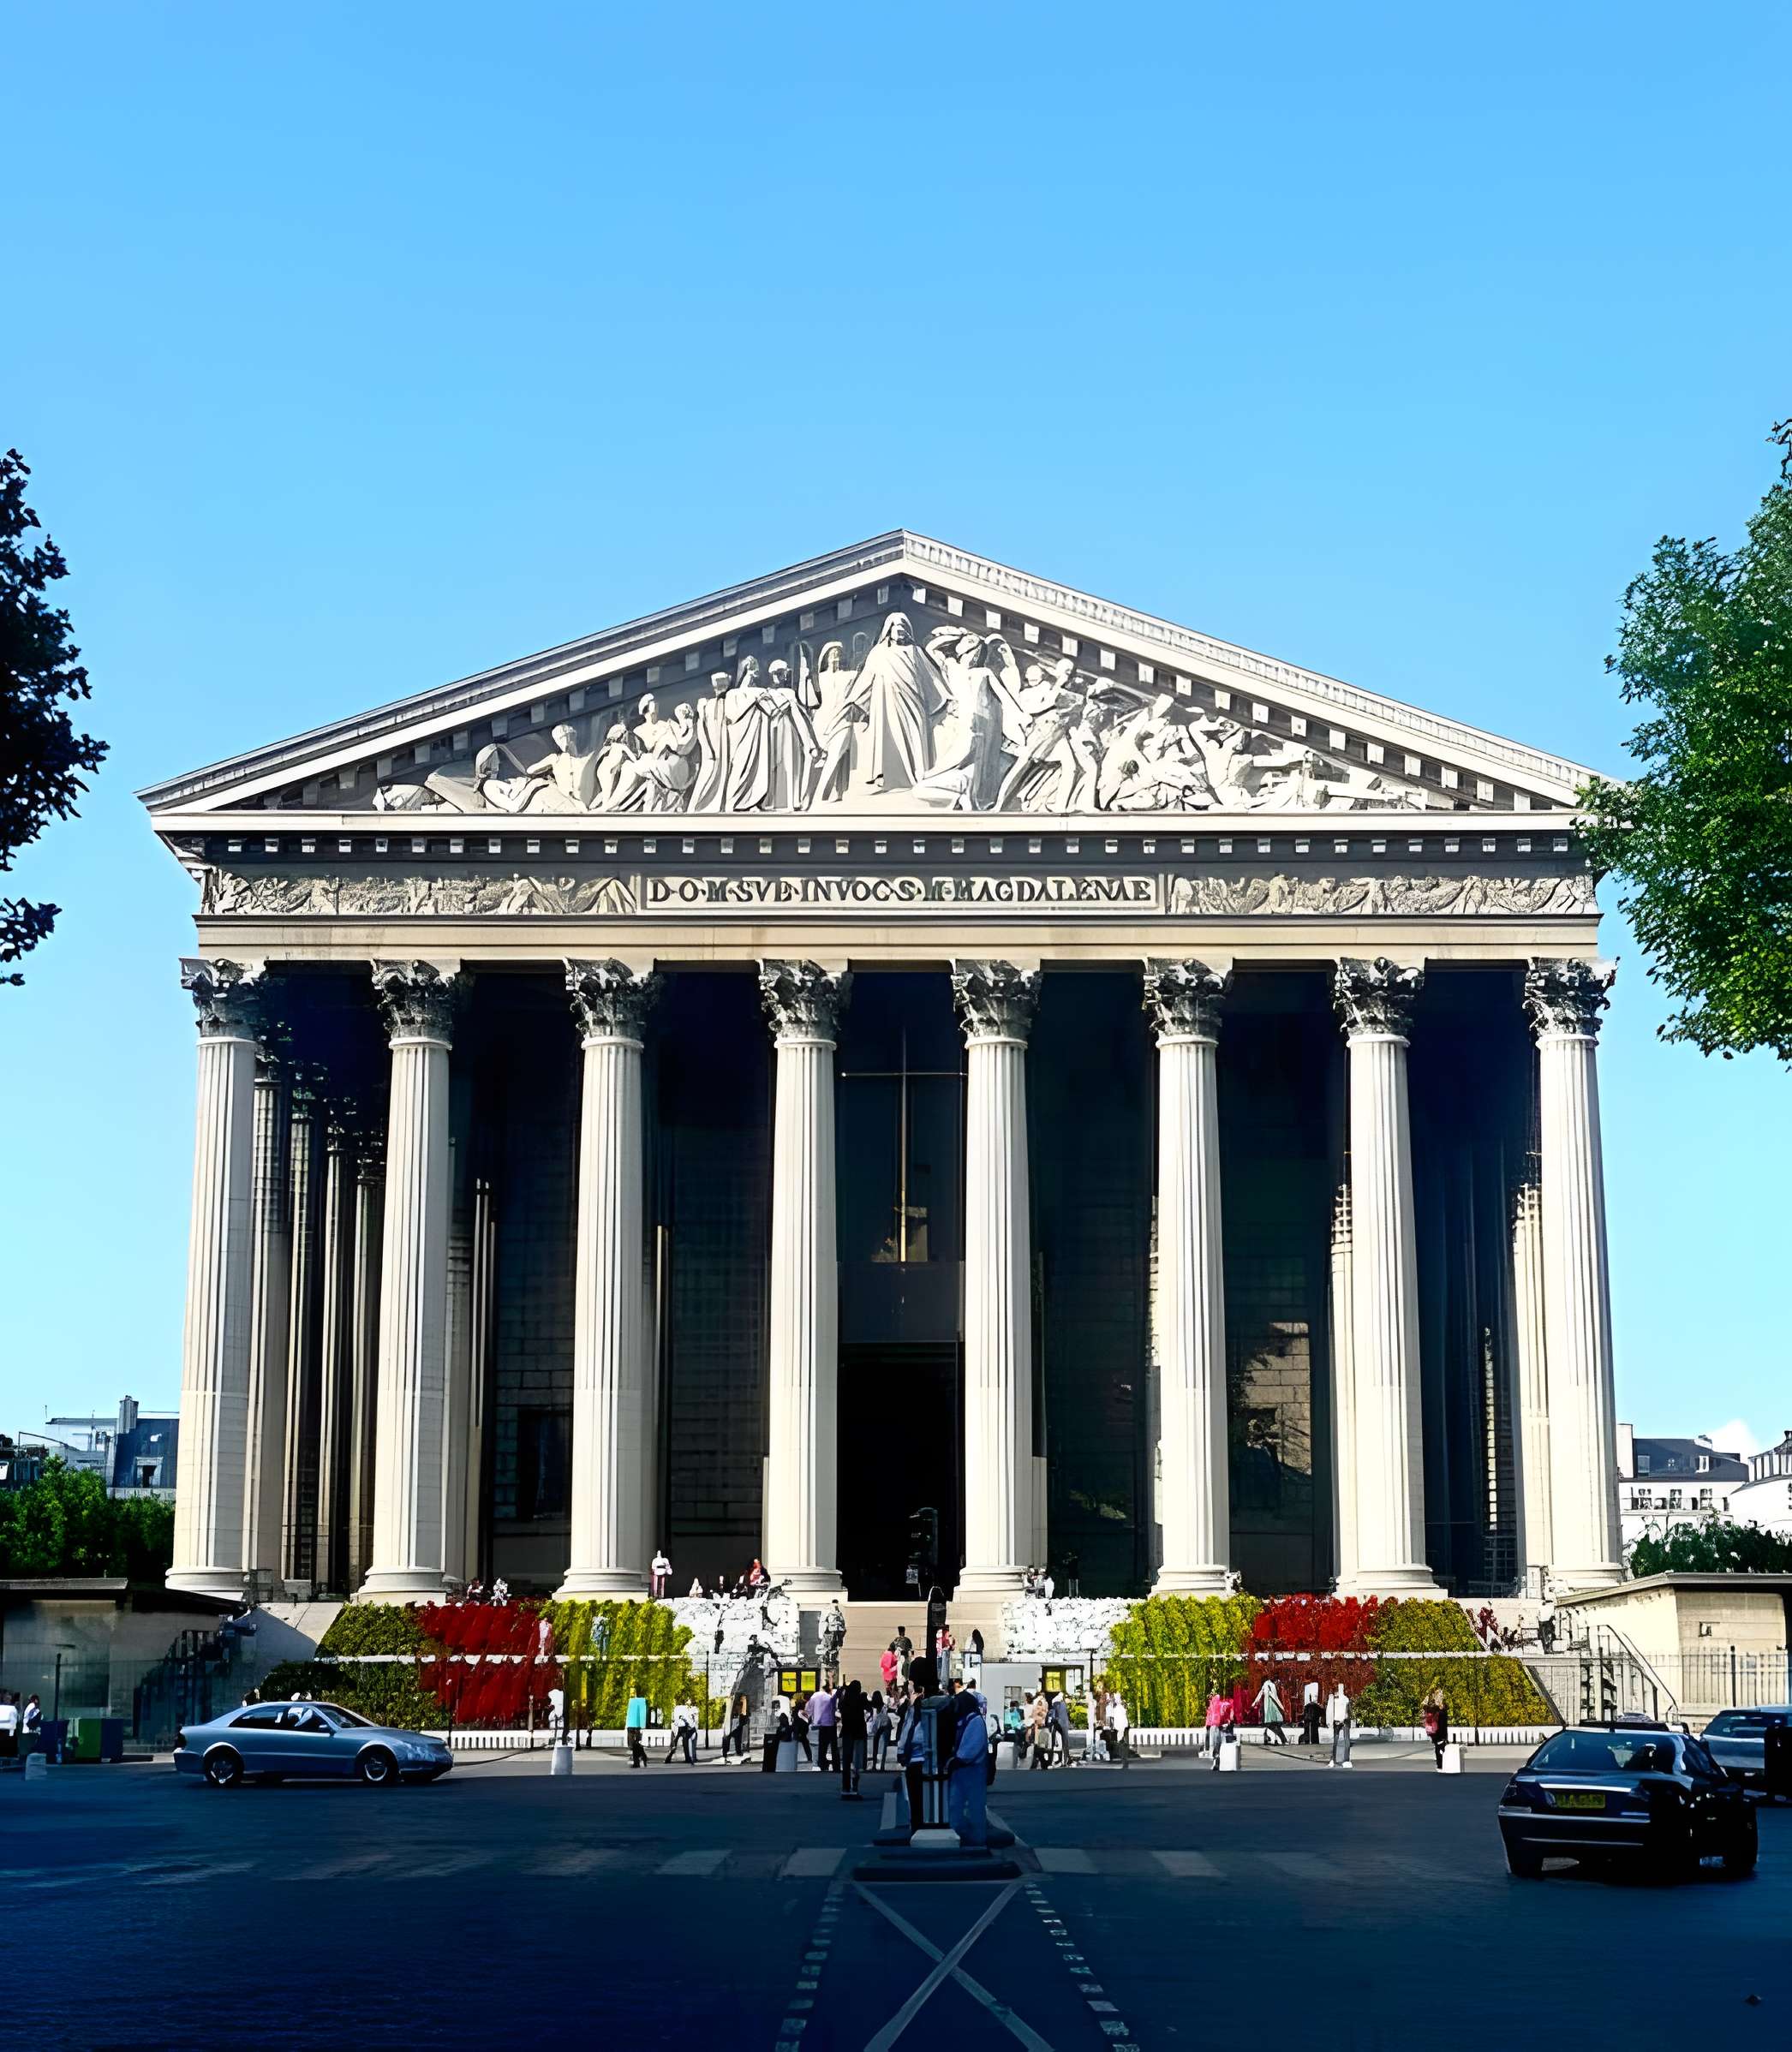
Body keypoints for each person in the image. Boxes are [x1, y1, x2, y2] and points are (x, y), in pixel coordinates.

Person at [945, 1687, 992, 1847]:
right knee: (956, 1803)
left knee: (975, 1805)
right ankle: (958, 1832)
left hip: (972, 1769)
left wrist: (956, 1760)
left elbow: (971, 1749)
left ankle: (977, 1838)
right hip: (964, 1769)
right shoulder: (966, 1721)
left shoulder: (975, 1721)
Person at [837, 1679, 868, 1798]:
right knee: (856, 1763)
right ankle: (855, 1788)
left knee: (846, 1762)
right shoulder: (860, 1699)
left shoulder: (845, 1702)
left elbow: (840, 1707)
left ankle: (845, 1787)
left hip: (847, 1733)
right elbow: (868, 1706)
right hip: (858, 1734)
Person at [807, 1682, 837, 1773]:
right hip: (830, 1725)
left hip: (817, 1725)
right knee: (831, 1747)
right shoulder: (831, 1697)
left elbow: (809, 1710)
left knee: (818, 1746)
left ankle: (818, 1764)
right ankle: (832, 1766)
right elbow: (834, 1711)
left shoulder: (815, 1696)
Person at [1423, 1684, 1450, 1769]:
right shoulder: (1436, 1708)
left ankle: (1440, 1765)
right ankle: (1440, 1765)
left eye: (1442, 1695)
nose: (1442, 1696)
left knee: (1439, 1748)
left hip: (1440, 1732)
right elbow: (1425, 1707)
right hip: (1438, 1732)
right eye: (1440, 1695)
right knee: (1439, 1748)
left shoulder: (1440, 1707)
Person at [1255, 1676, 1288, 1746]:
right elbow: (1275, 1697)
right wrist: (1282, 1707)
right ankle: (1281, 1740)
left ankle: (1271, 1738)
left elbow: (1261, 1693)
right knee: (1274, 1724)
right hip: (1272, 1707)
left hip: (1268, 1707)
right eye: (1277, 1682)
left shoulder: (1266, 1683)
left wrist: (1255, 1702)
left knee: (1271, 1725)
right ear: (1275, 1681)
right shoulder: (1271, 1685)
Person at [723, 1691, 750, 1763]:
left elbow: (743, 1713)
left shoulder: (740, 1710)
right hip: (737, 1725)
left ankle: (737, 1752)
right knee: (733, 1739)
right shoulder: (738, 1708)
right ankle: (736, 1752)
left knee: (736, 1739)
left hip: (738, 1725)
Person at [1048, 1689, 1073, 1767]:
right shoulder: (1062, 1704)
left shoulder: (1055, 1703)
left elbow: (1052, 1714)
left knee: (1051, 1743)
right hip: (1063, 1723)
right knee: (1065, 1742)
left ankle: (1050, 1761)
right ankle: (1064, 1761)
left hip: (1055, 1722)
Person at [624, 1690, 648, 1769]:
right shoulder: (641, 1703)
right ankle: (642, 1757)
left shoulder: (631, 1703)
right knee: (636, 1744)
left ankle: (638, 1760)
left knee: (634, 1745)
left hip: (632, 1725)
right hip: (636, 1725)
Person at [1299, 1678, 1323, 1746]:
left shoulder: (1308, 1687)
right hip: (1313, 1707)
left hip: (1309, 1707)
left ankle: (1308, 1739)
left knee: (1309, 1725)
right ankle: (1313, 1740)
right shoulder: (1314, 1686)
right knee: (1314, 1726)